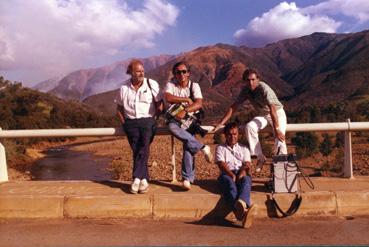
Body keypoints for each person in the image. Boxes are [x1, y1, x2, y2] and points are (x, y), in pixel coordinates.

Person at [213, 68, 287, 172]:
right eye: (248, 80)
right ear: (244, 81)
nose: (250, 82)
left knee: (280, 140)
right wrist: (221, 123)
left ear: (258, 79)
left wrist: (277, 129)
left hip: (277, 113)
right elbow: (234, 107)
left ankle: (283, 172)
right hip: (263, 115)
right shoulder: (245, 90)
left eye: (253, 79)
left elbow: (273, 109)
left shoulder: (264, 88)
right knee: (249, 127)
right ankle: (260, 158)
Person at [116, 59, 163, 194]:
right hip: (130, 122)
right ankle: (144, 180)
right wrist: (124, 122)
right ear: (131, 72)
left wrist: (155, 119)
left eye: (142, 70)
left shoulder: (151, 84)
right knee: (139, 150)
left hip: (148, 121)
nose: (142, 73)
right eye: (138, 71)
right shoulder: (123, 88)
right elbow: (119, 108)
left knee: (143, 148)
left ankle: (136, 178)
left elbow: (160, 104)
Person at [164, 61, 213, 190]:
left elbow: (199, 104)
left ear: (188, 73)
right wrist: (185, 99)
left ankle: (187, 179)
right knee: (172, 127)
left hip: (191, 119)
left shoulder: (194, 86)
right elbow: (167, 97)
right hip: (175, 120)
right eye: (178, 72)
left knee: (188, 145)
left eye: (184, 71)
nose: (181, 74)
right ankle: (202, 147)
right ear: (174, 74)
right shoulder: (171, 85)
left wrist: (185, 111)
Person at [215, 122, 257, 228]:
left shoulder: (244, 148)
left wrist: (242, 172)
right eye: (229, 134)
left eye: (235, 134)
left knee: (246, 180)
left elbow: (247, 164)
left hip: (240, 171)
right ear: (225, 135)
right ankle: (244, 212)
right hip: (226, 174)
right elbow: (221, 163)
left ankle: (241, 208)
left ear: (238, 134)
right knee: (230, 185)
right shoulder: (220, 148)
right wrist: (231, 174)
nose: (232, 137)